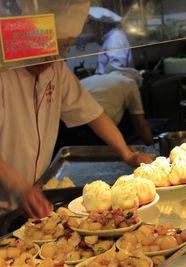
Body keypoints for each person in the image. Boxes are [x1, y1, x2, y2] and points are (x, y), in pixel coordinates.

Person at [0, 0, 153, 219]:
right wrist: (19, 186)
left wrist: (127, 153)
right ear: (24, 40)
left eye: (61, 48)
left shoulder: (57, 70)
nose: (52, 58)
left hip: (31, 202)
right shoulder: (4, 74)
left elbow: (93, 112)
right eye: (45, 48)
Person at [81, 64, 154, 146]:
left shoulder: (93, 78)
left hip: (69, 126)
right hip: (95, 129)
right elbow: (140, 125)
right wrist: (152, 147)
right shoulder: (130, 83)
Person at [88, 6, 134, 75]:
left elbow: (116, 69)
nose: (92, 30)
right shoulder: (110, 38)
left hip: (114, 82)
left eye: (93, 26)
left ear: (100, 26)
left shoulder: (115, 40)